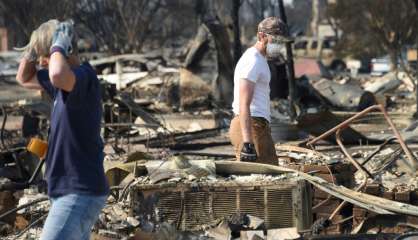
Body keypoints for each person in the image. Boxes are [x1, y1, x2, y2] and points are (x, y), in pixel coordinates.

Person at [16, 19, 109, 240]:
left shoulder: (83, 78)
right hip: (67, 190)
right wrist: (33, 47)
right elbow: (24, 77)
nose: (41, 61)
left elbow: (58, 74)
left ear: (64, 50)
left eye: (44, 55)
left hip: (79, 190)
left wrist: (58, 44)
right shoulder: (62, 87)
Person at [229, 17, 292, 165]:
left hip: (259, 126)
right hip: (251, 126)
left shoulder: (261, 60)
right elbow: (244, 104)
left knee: (271, 175)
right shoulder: (252, 60)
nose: (279, 45)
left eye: (281, 42)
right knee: (260, 179)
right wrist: (248, 143)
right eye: (276, 40)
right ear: (261, 36)